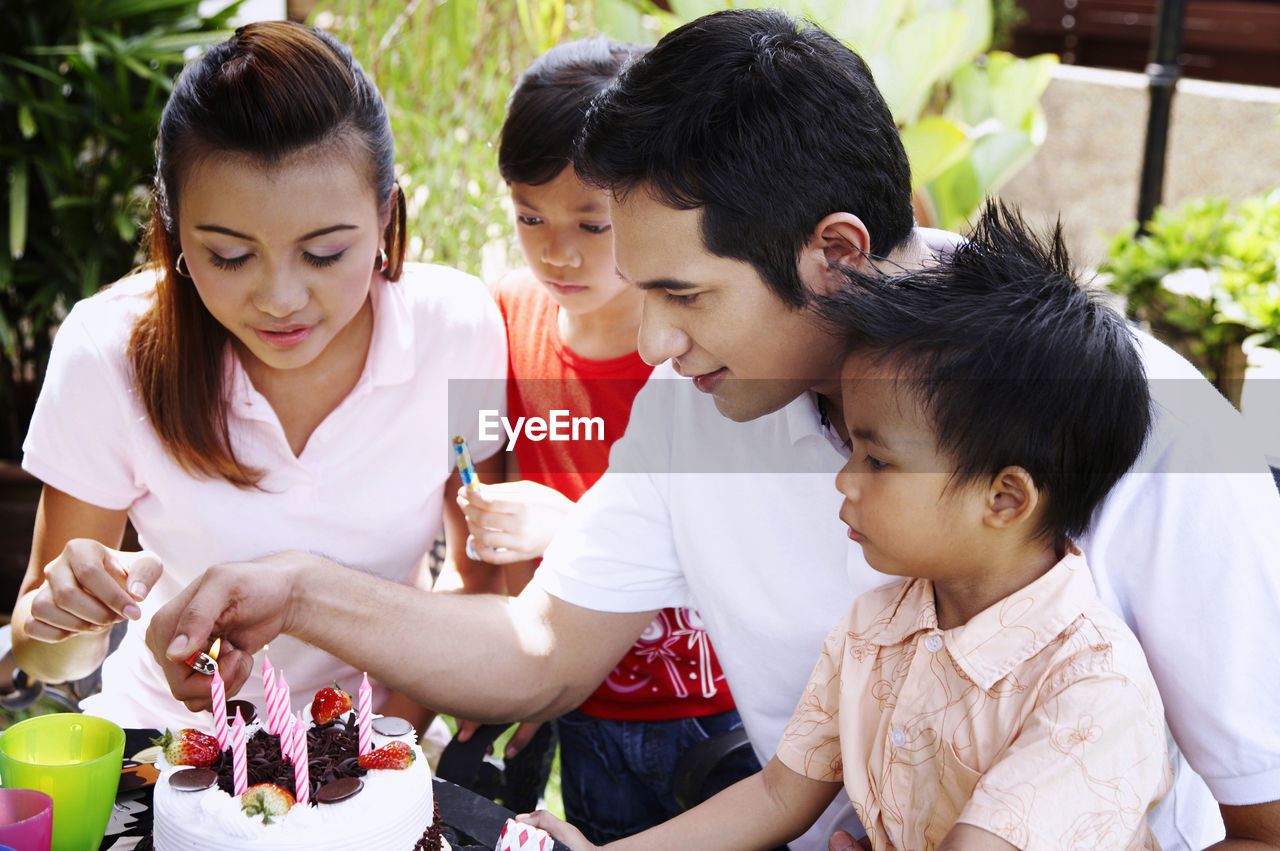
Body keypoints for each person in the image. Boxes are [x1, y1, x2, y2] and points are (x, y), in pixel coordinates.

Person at [147, 10, 1280, 850]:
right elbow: (543, 651)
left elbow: (1260, 816)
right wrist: (297, 588)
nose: (650, 343)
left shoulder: (1143, 417)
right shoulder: (693, 406)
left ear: (832, 253)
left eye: (684, 295)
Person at [516, 202, 1174, 850]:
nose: (843, 477)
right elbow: (778, 795)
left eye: (876, 459)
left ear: (1004, 498)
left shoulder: (1089, 686)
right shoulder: (876, 628)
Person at [9, 20, 506, 731]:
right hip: (173, 745)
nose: (280, 299)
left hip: (368, 752)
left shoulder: (461, 330)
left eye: (326, 252)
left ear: (385, 214)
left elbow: (482, 575)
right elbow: (45, 652)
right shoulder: (108, 348)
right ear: (176, 231)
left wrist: (386, 731)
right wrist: (68, 617)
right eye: (231, 257)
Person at [450, 37, 760, 835]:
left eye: (593, 224)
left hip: (713, 713)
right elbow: (482, 499)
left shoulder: (703, 352)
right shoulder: (505, 317)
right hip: (579, 702)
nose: (557, 251)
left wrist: (569, 523)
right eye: (528, 216)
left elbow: (743, 545)